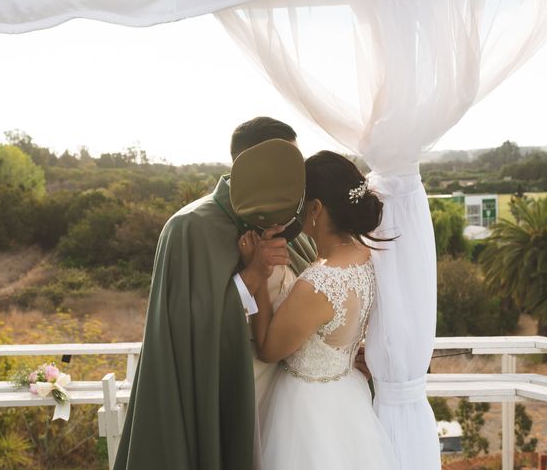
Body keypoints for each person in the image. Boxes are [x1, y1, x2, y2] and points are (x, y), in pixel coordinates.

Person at [114, 118, 316, 470]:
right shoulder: (190, 228)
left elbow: (313, 302)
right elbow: (188, 332)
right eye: (289, 161)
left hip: (294, 407)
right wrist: (253, 274)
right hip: (226, 399)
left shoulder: (291, 227)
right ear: (255, 162)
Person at [237, 150, 399, 470]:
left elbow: (270, 349)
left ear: (316, 208)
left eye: (299, 204)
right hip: (347, 396)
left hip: (307, 411)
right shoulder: (365, 256)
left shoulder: (317, 284)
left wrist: (261, 274)